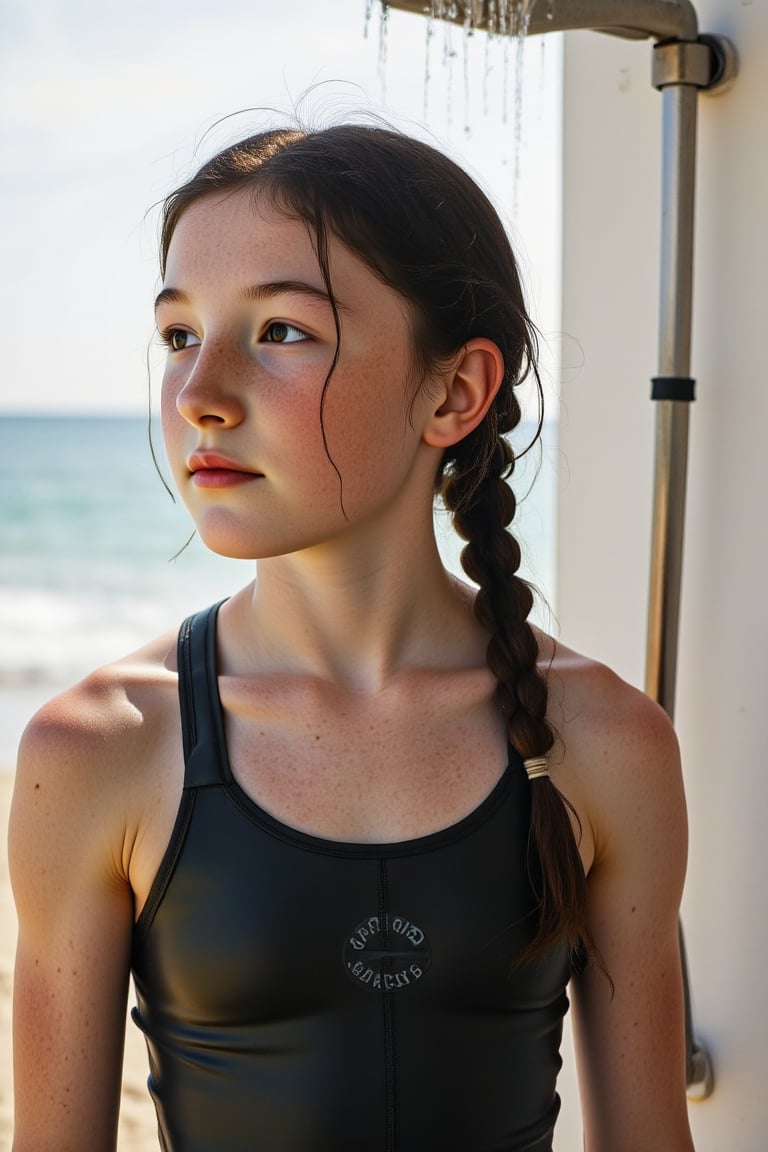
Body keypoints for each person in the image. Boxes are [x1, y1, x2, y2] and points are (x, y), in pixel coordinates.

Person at [9, 123, 694, 1152]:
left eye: (282, 331)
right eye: (179, 335)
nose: (200, 396)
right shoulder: (101, 749)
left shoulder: (604, 742)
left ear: (454, 392)